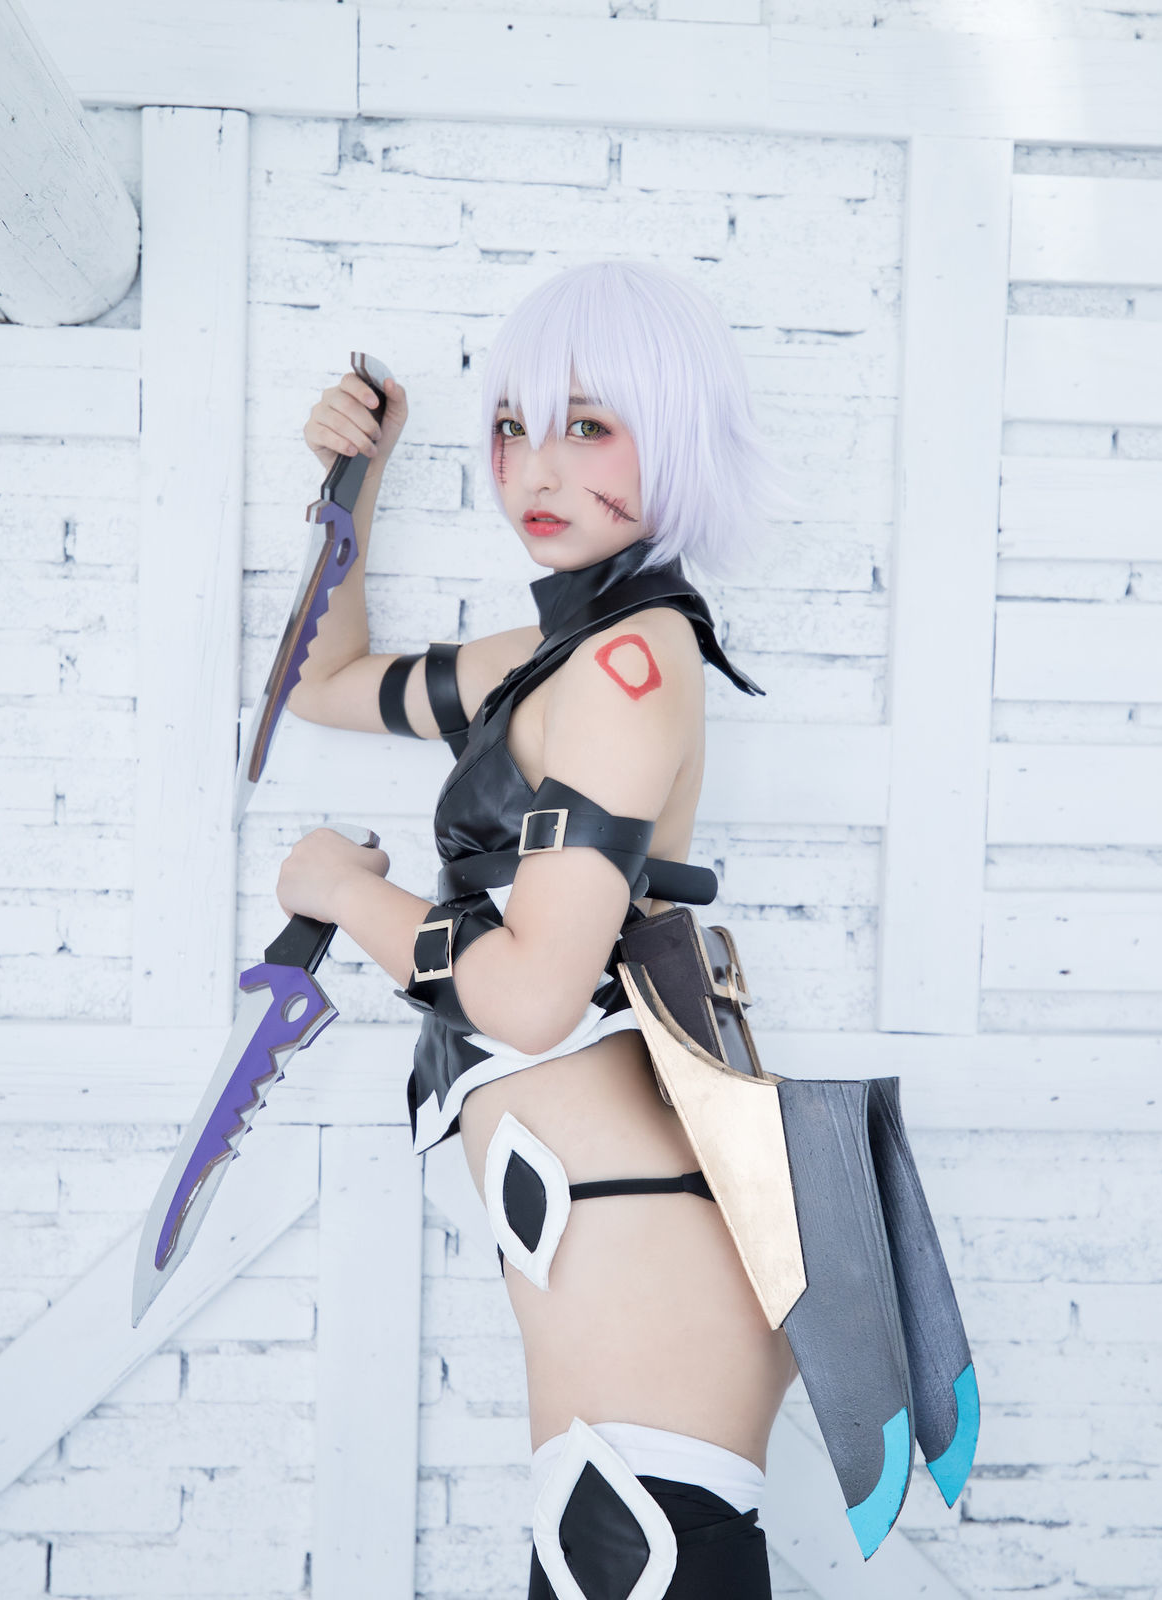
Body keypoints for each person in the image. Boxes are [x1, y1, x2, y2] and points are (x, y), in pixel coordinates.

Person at [277, 260, 789, 1598]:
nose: (535, 469)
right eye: (512, 427)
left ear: (673, 436)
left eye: (587, 426)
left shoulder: (626, 665)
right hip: (612, 1235)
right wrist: (349, 484)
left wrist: (345, 892)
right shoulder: (562, 654)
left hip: (641, 1248)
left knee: (639, 1564)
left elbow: (531, 996)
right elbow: (326, 682)